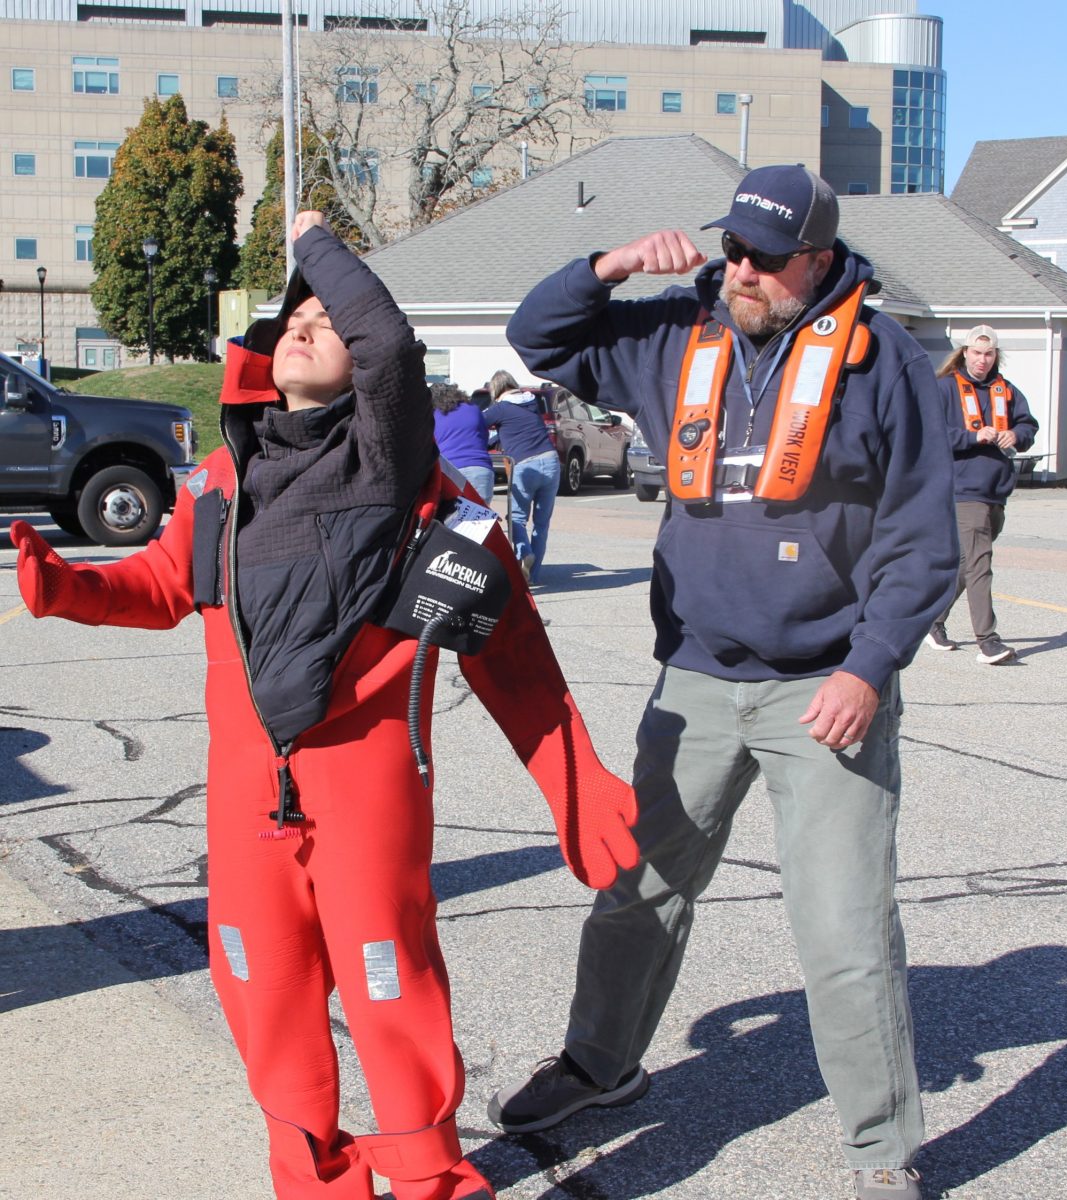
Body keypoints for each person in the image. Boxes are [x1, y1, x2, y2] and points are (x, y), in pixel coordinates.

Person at [9, 212, 638, 1200]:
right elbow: (163, 587)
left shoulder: (391, 477)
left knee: (390, 992)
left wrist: (572, 779)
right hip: (247, 803)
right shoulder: (223, 482)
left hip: (365, 798)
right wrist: (70, 587)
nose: (306, 322)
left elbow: (512, 658)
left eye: (325, 318)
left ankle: (429, 1178)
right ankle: (315, 1180)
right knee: (263, 997)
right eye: (292, 316)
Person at [486, 166, 959, 1200]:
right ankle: (598, 1067)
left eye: (763, 257)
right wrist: (605, 267)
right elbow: (540, 340)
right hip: (694, 679)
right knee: (637, 891)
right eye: (730, 248)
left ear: (819, 262)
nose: (738, 270)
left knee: (842, 930)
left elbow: (926, 543)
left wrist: (870, 669)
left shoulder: (883, 366)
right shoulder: (675, 333)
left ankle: (882, 1151)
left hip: (823, 688)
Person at [925, 325, 1038, 663]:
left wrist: (1016, 436)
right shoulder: (945, 388)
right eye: (976, 353)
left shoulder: (1007, 390)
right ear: (965, 353)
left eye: (989, 354)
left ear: (995, 356)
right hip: (962, 489)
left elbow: (1028, 425)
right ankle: (988, 641)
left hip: (996, 489)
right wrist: (972, 438)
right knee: (980, 563)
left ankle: (932, 622)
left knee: (966, 564)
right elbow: (929, 433)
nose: (982, 360)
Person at [482, 370, 559, 583]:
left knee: (516, 518)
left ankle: (524, 556)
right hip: (551, 460)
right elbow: (516, 429)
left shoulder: (500, 408)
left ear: (496, 390)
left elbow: (475, 423)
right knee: (542, 524)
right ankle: (532, 576)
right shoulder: (531, 402)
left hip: (525, 465)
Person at [431, 381, 495, 504]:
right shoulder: (474, 409)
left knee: (452, 519)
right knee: (482, 520)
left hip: (451, 471)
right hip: (481, 468)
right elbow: (483, 437)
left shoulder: (433, 415)